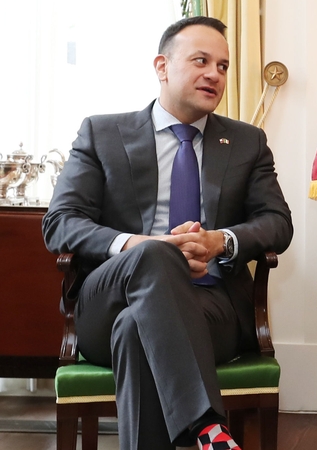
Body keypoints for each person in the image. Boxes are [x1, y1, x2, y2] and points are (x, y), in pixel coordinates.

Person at [42, 16, 293, 450]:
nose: (215, 74)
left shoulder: (247, 142)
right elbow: (60, 222)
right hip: (109, 296)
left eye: (223, 66)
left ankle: (199, 430)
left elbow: (277, 222)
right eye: (201, 60)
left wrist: (220, 241)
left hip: (209, 307)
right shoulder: (102, 133)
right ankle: (206, 425)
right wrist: (138, 246)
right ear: (162, 66)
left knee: (135, 330)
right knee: (156, 257)